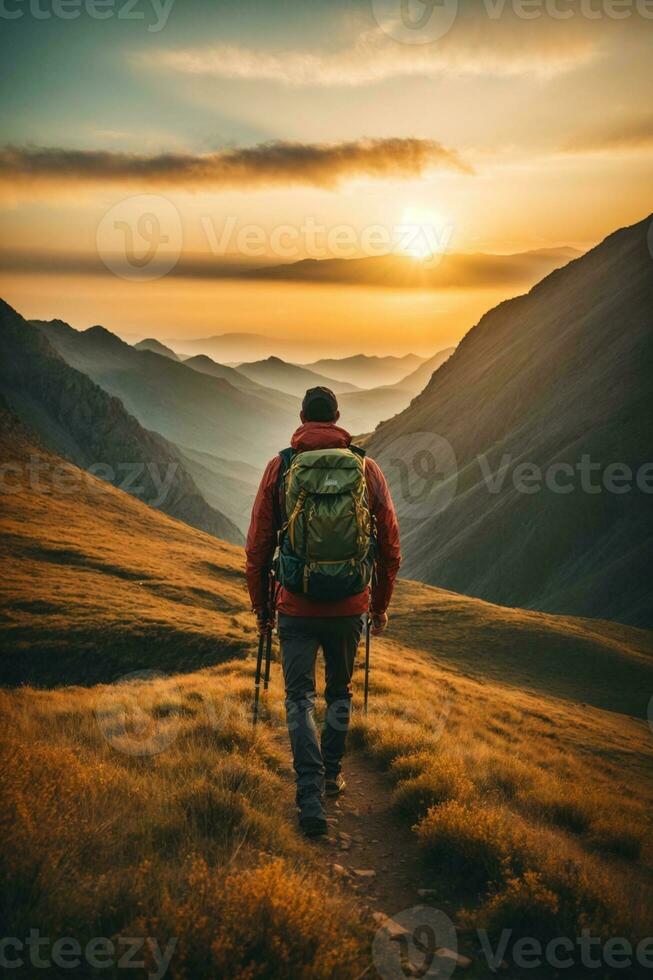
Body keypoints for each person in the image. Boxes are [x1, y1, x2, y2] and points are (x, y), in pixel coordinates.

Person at [245, 385, 401, 837]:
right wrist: (379, 606)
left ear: (301, 417)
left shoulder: (281, 466)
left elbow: (258, 545)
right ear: (337, 417)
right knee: (338, 692)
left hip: (295, 604)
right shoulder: (366, 468)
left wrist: (262, 608)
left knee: (298, 699)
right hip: (350, 605)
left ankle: (309, 794)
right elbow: (390, 545)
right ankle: (332, 774)